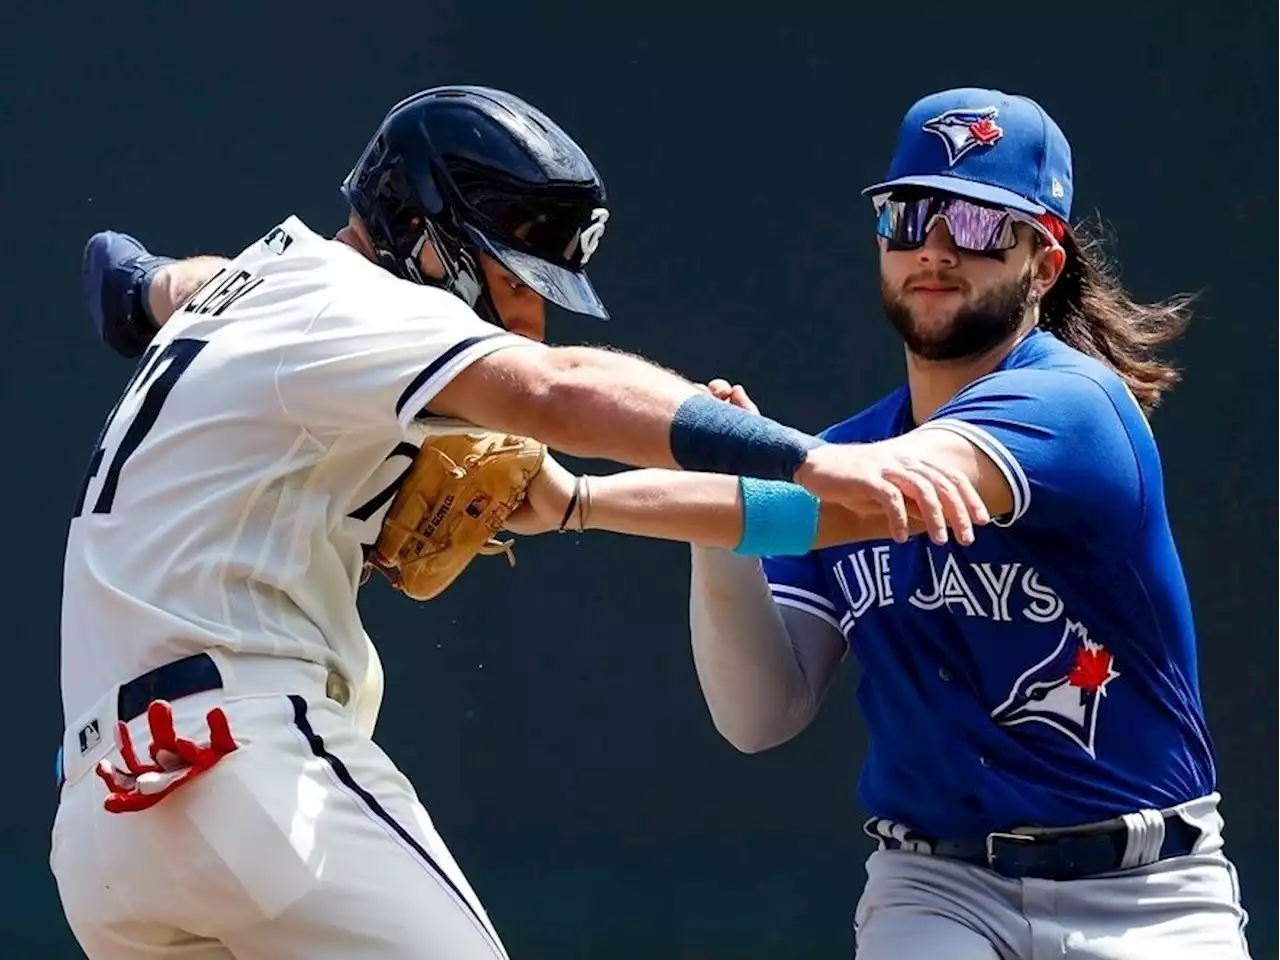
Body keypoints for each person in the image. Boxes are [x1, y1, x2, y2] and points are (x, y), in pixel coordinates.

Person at [58, 84, 985, 960]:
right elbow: (561, 387)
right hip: (244, 772)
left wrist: (146, 288)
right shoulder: (358, 302)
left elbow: (127, 276)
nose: (531, 318)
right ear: (421, 237)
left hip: (107, 826)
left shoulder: (260, 288)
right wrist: (809, 456)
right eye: (515, 280)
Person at [505, 87, 1253, 958]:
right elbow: (760, 714)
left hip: (1144, 895)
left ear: (1043, 265)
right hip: (936, 891)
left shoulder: (1071, 408)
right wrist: (717, 511)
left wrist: (578, 503)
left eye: (977, 225)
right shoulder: (840, 453)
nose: (934, 250)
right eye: (910, 217)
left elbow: (865, 501)